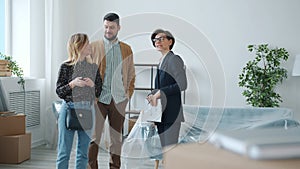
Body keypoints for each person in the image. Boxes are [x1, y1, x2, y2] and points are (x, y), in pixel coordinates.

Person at [88, 13, 136, 169]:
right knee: (93, 138)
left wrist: (127, 95)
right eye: (106, 27)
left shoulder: (126, 49)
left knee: (116, 139)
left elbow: (131, 75)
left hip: (119, 100)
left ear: (118, 28)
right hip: (98, 100)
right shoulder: (93, 47)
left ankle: (115, 167)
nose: (108, 30)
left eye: (112, 27)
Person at [56, 33, 102, 169]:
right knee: (64, 151)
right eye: (87, 44)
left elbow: (100, 91)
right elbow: (59, 92)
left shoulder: (93, 67)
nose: (90, 46)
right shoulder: (65, 67)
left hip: (88, 110)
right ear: (78, 46)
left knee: (83, 153)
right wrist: (72, 84)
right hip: (69, 109)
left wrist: (92, 84)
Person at [147, 29, 187, 151]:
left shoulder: (174, 59)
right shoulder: (161, 61)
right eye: (155, 40)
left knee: (170, 150)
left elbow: (182, 84)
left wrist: (160, 93)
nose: (157, 42)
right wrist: (152, 94)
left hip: (171, 114)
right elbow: (160, 86)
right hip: (161, 114)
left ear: (170, 41)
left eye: (161, 39)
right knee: (165, 150)